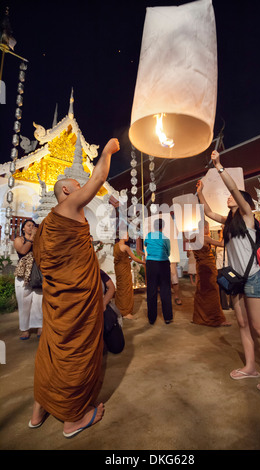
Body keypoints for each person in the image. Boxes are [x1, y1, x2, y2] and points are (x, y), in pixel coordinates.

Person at [29, 138, 120, 438]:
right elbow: (97, 178)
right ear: (66, 191)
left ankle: (38, 410)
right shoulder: (68, 206)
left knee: (51, 351)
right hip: (77, 303)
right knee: (74, 353)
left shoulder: (48, 226)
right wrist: (106, 151)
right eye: (75, 186)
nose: (81, 191)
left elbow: (47, 262)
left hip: (58, 303)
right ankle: (73, 419)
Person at [196, 150, 260, 394]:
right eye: (228, 196)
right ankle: (250, 367)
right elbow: (207, 212)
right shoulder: (230, 222)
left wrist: (218, 166)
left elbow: (234, 190)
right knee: (243, 325)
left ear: (242, 200)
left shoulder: (248, 216)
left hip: (252, 278)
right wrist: (200, 194)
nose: (228, 198)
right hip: (235, 279)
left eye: (231, 197)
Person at [192, 220, 231, 327]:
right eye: (208, 228)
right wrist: (224, 230)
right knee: (213, 293)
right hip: (208, 268)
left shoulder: (193, 238)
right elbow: (222, 244)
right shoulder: (205, 237)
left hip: (200, 268)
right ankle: (217, 319)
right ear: (205, 227)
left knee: (201, 292)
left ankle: (199, 317)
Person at [14, 219, 43, 340]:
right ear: (23, 229)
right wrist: (31, 238)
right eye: (29, 226)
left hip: (37, 273)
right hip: (23, 275)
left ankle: (39, 326)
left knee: (38, 302)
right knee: (24, 302)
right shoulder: (19, 240)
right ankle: (24, 329)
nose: (31, 227)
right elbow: (23, 250)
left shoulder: (39, 240)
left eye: (33, 226)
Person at [144, 218, 173, 324]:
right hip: (163, 264)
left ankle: (151, 318)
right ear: (163, 227)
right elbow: (168, 252)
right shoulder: (166, 239)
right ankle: (168, 317)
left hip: (151, 264)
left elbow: (146, 245)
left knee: (151, 290)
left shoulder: (148, 236)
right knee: (165, 290)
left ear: (154, 226)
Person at [113, 233, 145, 319]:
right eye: (127, 235)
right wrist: (145, 262)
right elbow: (135, 258)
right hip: (124, 270)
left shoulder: (115, 246)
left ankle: (119, 310)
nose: (128, 237)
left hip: (119, 269)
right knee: (126, 289)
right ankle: (126, 312)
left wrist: (127, 260)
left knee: (120, 289)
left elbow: (120, 258)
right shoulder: (125, 247)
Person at [100, 269, 125, 354]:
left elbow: (111, 287)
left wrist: (103, 303)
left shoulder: (97, 271)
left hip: (103, 309)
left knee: (117, 347)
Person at [215, 228, 230, 310]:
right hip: (219, 265)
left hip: (226, 265)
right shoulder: (219, 241)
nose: (220, 233)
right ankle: (224, 304)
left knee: (228, 284)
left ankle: (229, 304)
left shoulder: (227, 241)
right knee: (221, 285)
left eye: (221, 231)